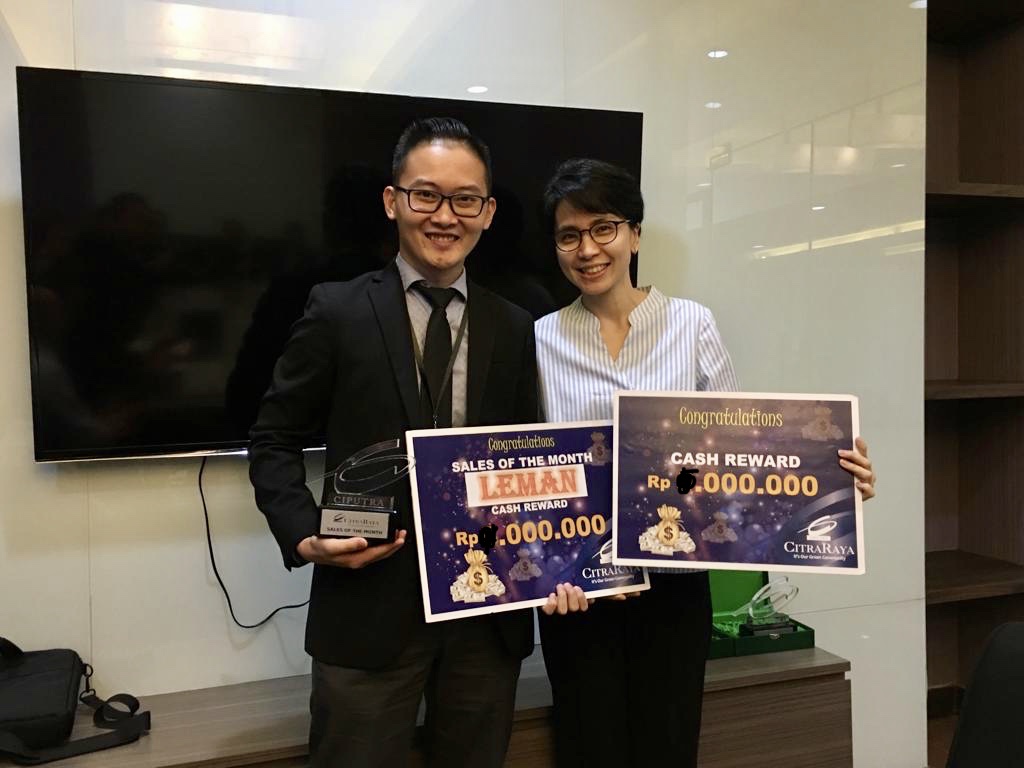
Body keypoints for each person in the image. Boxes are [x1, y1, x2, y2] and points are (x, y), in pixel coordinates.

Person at [533, 158, 877, 767]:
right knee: (589, 751)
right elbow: (526, 472)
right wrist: (540, 574)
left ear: (635, 234)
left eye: (603, 228)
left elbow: (740, 453)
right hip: (580, 592)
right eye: (569, 235)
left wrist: (832, 479)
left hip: (675, 587)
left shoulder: (691, 325)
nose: (587, 249)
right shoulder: (539, 340)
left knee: (669, 749)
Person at [248, 117, 538, 768]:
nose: (445, 216)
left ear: (488, 213)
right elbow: (273, 437)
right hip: (367, 604)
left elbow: (529, 459)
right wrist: (302, 534)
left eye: (465, 199)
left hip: (485, 607)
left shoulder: (515, 324)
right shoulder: (336, 310)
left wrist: (559, 561)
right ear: (392, 200)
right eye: (426, 194)